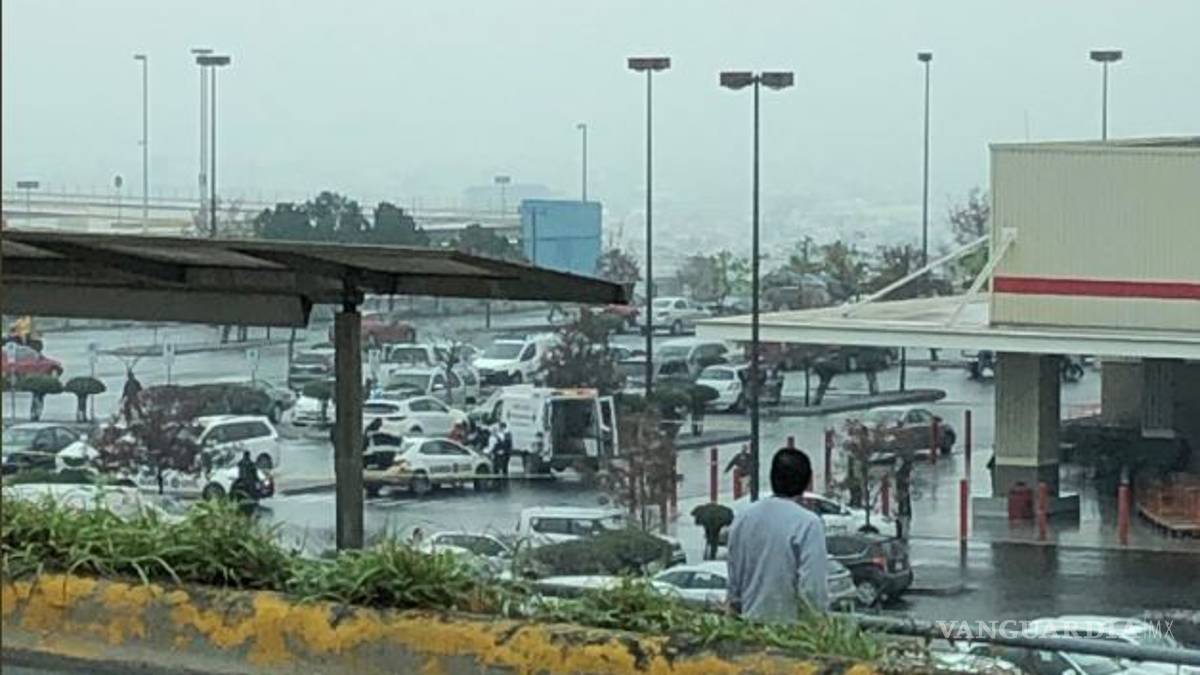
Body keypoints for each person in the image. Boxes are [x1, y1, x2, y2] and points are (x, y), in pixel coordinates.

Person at [727, 447, 829, 621]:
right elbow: (812, 588)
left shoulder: (743, 518)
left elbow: (734, 581)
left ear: (772, 477)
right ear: (807, 481)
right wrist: (817, 622)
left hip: (747, 625)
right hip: (789, 629)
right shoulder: (808, 524)